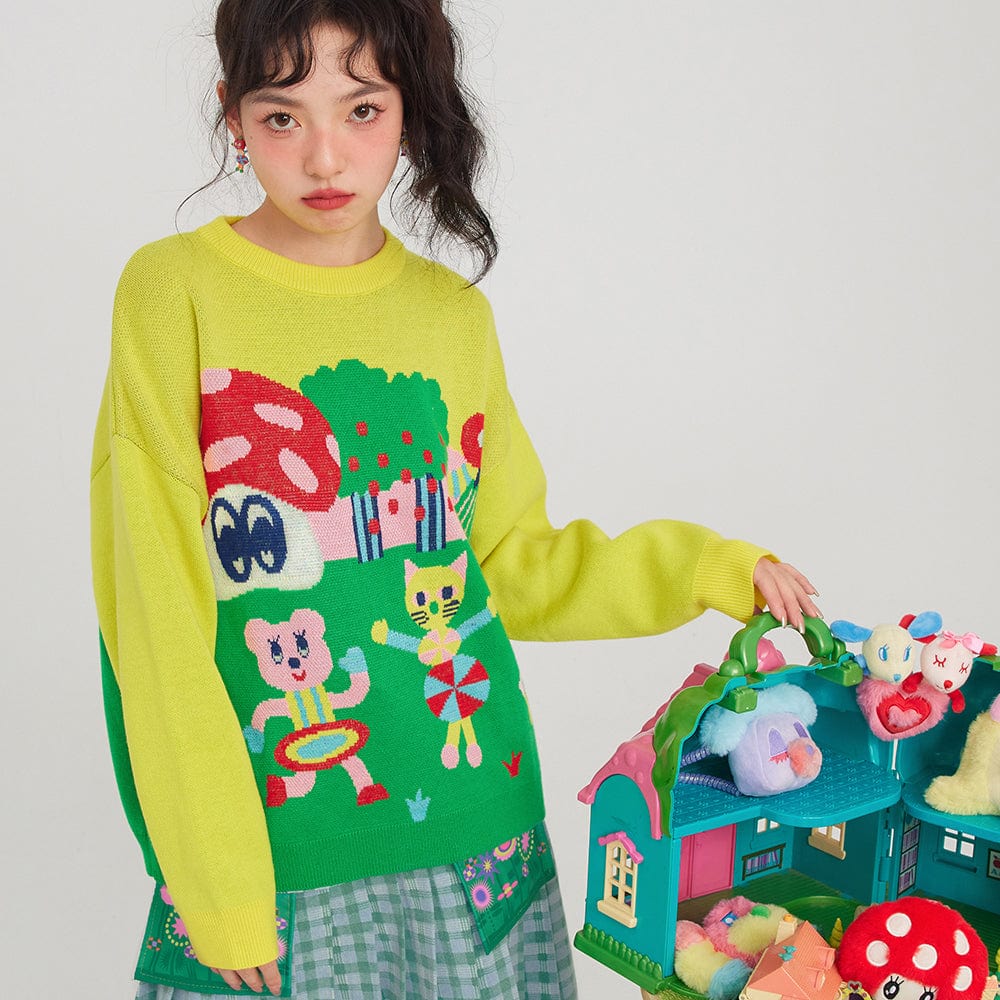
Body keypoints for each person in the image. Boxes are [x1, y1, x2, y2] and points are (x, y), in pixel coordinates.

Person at [90, 1, 820, 997]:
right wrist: (215, 882)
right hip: (280, 859)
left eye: (362, 109)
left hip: (481, 846)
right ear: (232, 114)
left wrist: (705, 567)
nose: (324, 158)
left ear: (409, 108)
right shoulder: (173, 293)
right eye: (281, 117)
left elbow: (510, 561)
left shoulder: (450, 316)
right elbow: (155, 623)